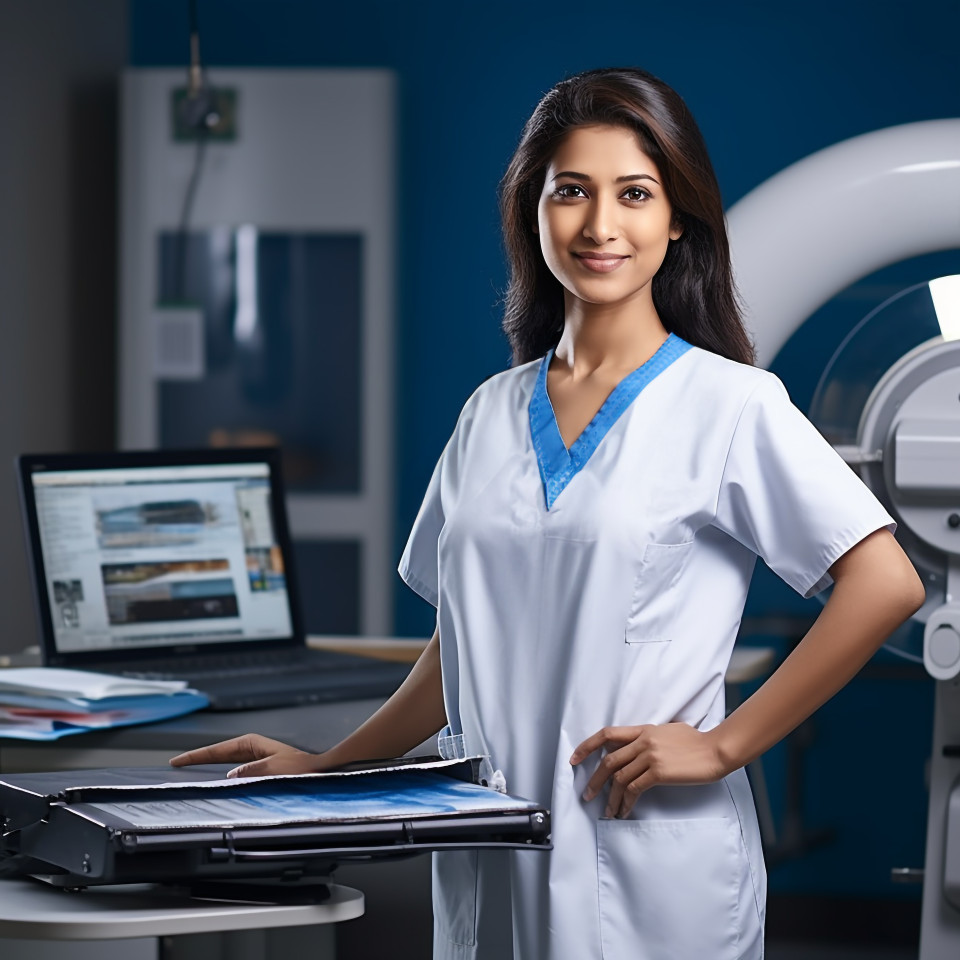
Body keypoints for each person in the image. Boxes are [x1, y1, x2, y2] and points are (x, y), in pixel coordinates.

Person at [171, 67, 925, 959]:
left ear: (676, 218)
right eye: (572, 191)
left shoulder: (732, 405)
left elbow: (886, 582)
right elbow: (468, 643)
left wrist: (725, 745)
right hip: (490, 844)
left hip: (649, 859)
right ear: (534, 209)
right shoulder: (490, 410)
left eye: (634, 194)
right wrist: (333, 764)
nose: (601, 225)